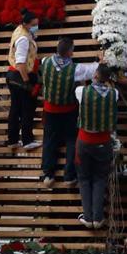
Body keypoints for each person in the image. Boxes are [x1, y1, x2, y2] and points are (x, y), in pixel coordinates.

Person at [39, 37, 90, 185]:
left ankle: (48, 175)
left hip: (50, 111)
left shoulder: (45, 61)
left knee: (49, 141)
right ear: (70, 52)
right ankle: (69, 175)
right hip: (69, 111)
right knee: (71, 141)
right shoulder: (76, 69)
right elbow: (92, 71)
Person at [75, 63, 121, 229]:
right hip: (103, 141)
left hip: (84, 141)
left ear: (94, 75)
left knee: (84, 179)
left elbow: (81, 83)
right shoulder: (114, 93)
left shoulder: (81, 92)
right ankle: (98, 217)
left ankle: (88, 217)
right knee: (100, 178)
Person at [5, 8, 39, 151]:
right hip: (21, 76)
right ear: (26, 24)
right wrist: (27, 82)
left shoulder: (20, 31)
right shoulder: (23, 38)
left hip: (13, 76)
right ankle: (27, 140)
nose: (36, 27)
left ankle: (12, 140)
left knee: (15, 109)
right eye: (34, 24)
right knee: (27, 109)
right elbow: (20, 63)